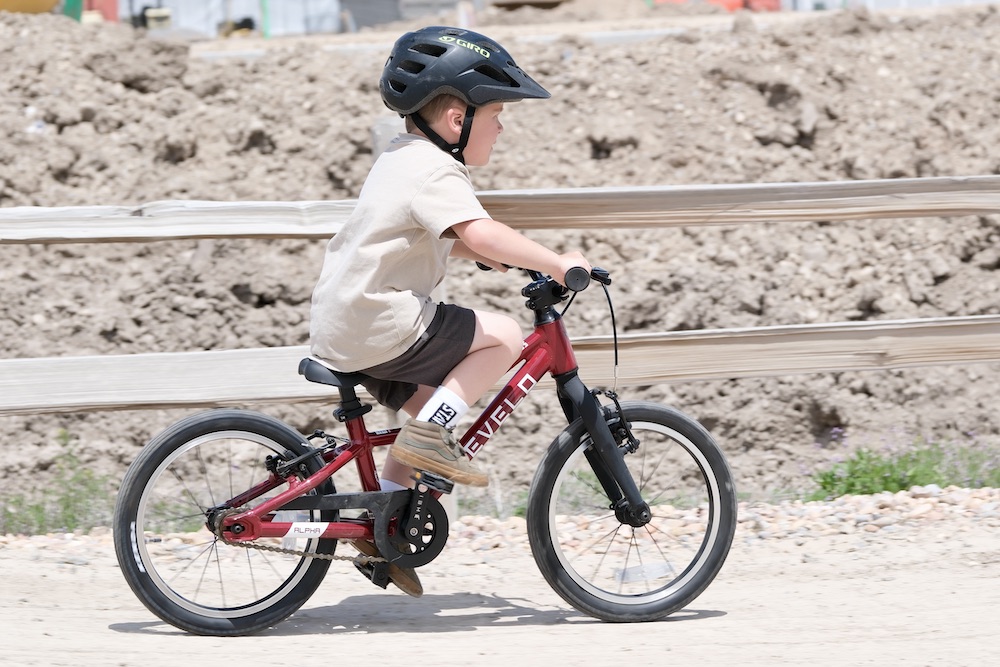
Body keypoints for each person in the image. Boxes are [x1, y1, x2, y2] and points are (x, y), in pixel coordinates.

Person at [308, 26, 590, 596]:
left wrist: (491, 258)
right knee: (505, 335)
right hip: (381, 320)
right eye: (497, 115)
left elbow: (427, 233)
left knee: (427, 411)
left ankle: (382, 527)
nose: (502, 127)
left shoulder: (403, 157)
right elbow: (478, 230)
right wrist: (559, 263)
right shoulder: (436, 170)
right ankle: (430, 443)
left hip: (349, 321)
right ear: (457, 120)